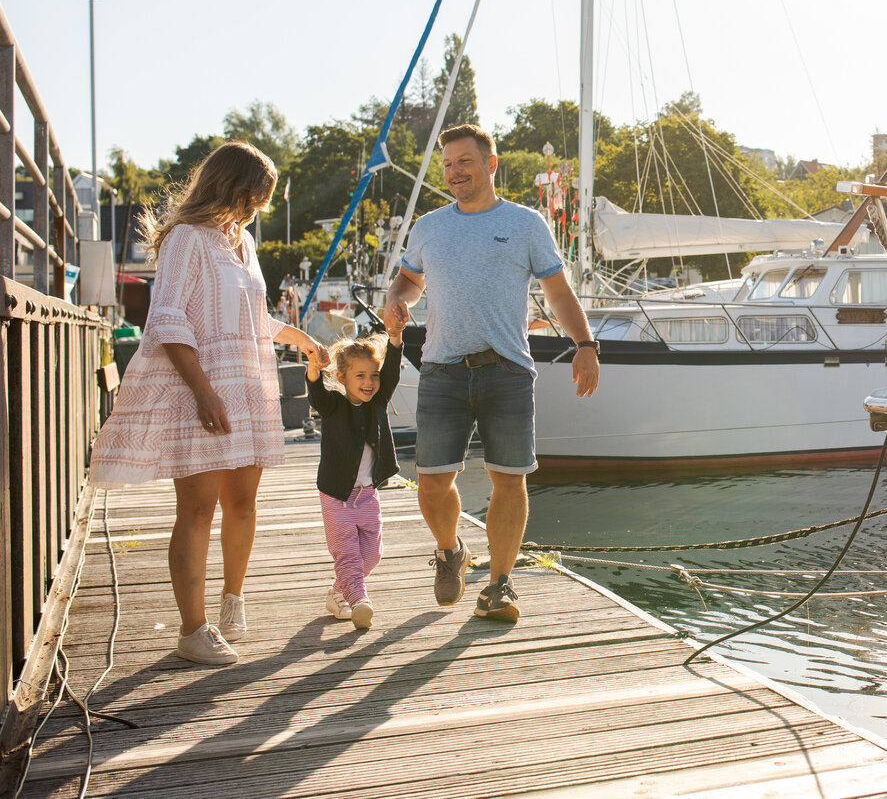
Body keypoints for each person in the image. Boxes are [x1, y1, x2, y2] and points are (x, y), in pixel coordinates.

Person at [89, 141, 326, 665]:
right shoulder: (186, 240)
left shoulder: (241, 242)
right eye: (255, 197)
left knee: (242, 504)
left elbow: (246, 318)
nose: (258, 208)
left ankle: (232, 601)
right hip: (203, 390)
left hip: (247, 388)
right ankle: (192, 630)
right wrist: (202, 391)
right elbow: (169, 318)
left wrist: (300, 339)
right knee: (196, 510)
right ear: (231, 186)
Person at [384, 124, 598, 623]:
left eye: (464, 161)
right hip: (442, 368)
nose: (455, 171)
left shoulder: (525, 224)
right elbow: (408, 281)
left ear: (490, 163)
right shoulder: (430, 227)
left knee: (510, 479)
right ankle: (450, 550)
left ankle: (499, 585)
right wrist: (396, 302)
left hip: (507, 370)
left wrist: (585, 344)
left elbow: (559, 293)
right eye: (448, 164)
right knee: (432, 482)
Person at [306, 322, 402, 630]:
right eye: (360, 375)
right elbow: (317, 395)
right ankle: (360, 602)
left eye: (373, 375)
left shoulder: (378, 402)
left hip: (367, 495)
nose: (370, 382)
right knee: (348, 556)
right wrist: (313, 370)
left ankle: (338, 591)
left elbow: (392, 373)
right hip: (337, 497)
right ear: (342, 377)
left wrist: (397, 339)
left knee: (371, 556)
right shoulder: (333, 405)